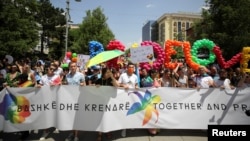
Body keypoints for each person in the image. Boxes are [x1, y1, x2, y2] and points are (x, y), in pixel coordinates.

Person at [94, 67, 119, 141]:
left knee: (108, 117)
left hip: (109, 103)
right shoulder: (99, 80)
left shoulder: (111, 80)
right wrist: (96, 87)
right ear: (103, 73)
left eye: (109, 72)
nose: (108, 73)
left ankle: (108, 131)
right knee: (100, 119)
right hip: (100, 102)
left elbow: (117, 85)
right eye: (107, 72)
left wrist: (112, 77)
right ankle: (100, 134)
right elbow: (93, 90)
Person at [37, 66, 61, 140]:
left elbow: (60, 84)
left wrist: (56, 84)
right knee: (45, 115)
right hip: (45, 98)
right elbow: (40, 85)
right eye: (50, 68)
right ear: (47, 69)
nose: (51, 70)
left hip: (54, 98)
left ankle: (55, 125)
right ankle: (46, 131)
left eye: (53, 69)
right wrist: (38, 86)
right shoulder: (43, 77)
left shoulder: (57, 76)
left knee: (54, 113)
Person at [65, 62, 85, 141]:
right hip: (70, 99)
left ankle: (76, 135)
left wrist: (83, 85)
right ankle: (72, 133)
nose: (73, 67)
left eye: (74, 66)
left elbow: (85, 85)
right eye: (71, 66)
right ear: (69, 67)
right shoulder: (67, 76)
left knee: (76, 118)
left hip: (78, 99)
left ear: (76, 67)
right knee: (70, 117)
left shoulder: (81, 75)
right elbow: (66, 86)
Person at [118, 62, 139, 137]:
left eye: (132, 67)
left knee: (132, 111)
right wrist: (123, 85)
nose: (131, 68)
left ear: (134, 69)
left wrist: (136, 86)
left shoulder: (135, 76)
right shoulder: (123, 75)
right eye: (130, 67)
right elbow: (118, 84)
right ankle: (124, 129)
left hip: (132, 96)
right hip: (124, 96)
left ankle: (131, 124)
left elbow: (136, 84)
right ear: (127, 68)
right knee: (125, 112)